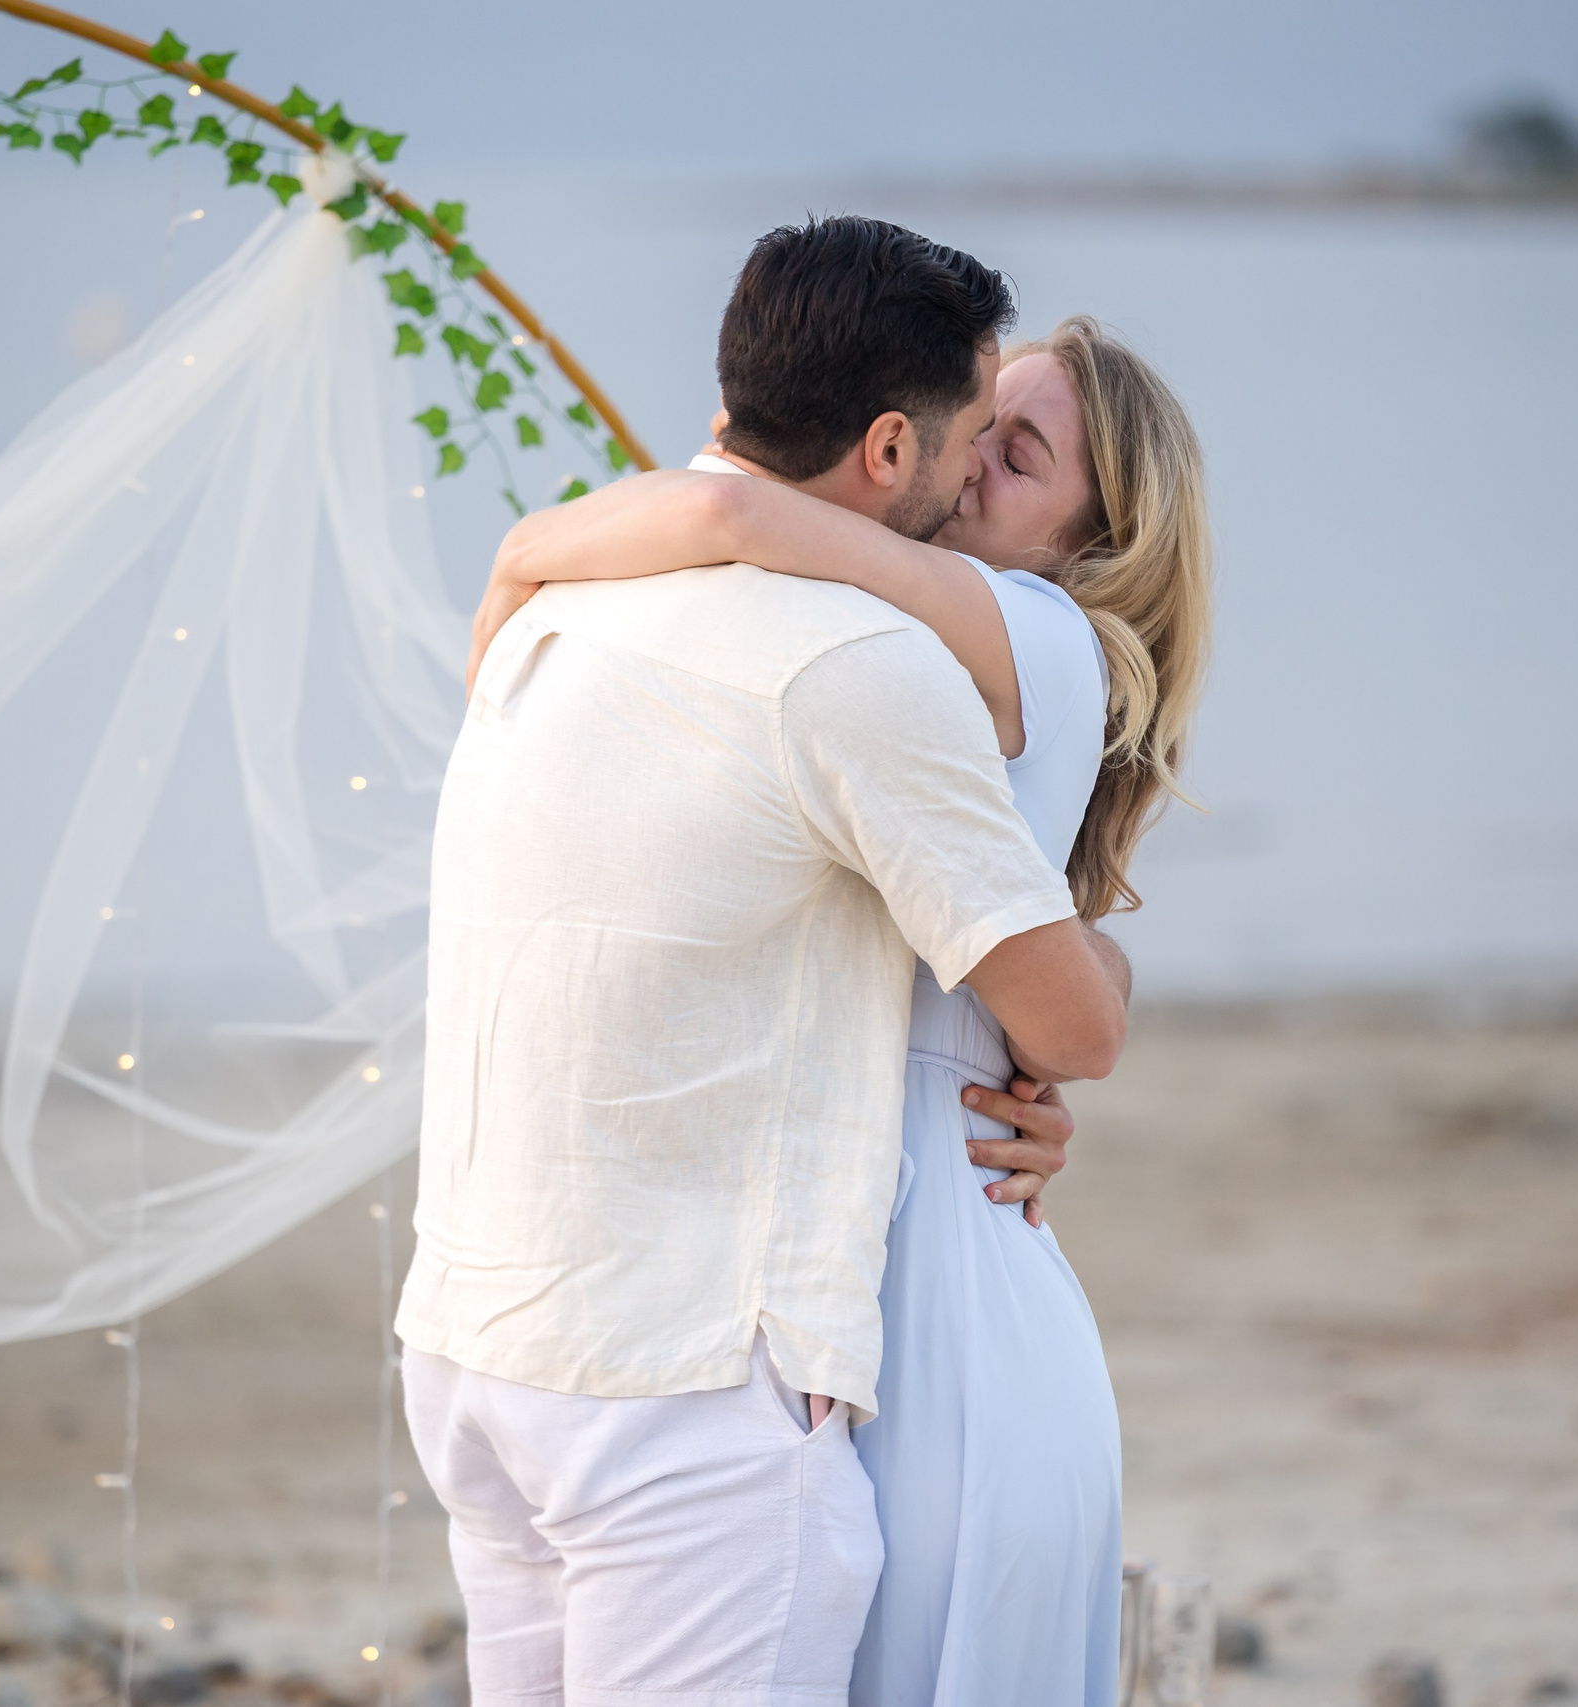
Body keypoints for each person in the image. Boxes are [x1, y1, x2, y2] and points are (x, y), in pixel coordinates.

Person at [396, 217, 1134, 1706]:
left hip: (481, 1342)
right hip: (686, 1384)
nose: (976, 462)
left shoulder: (558, 609)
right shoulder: (861, 671)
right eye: (969, 434)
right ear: (884, 452)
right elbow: (1072, 1010)